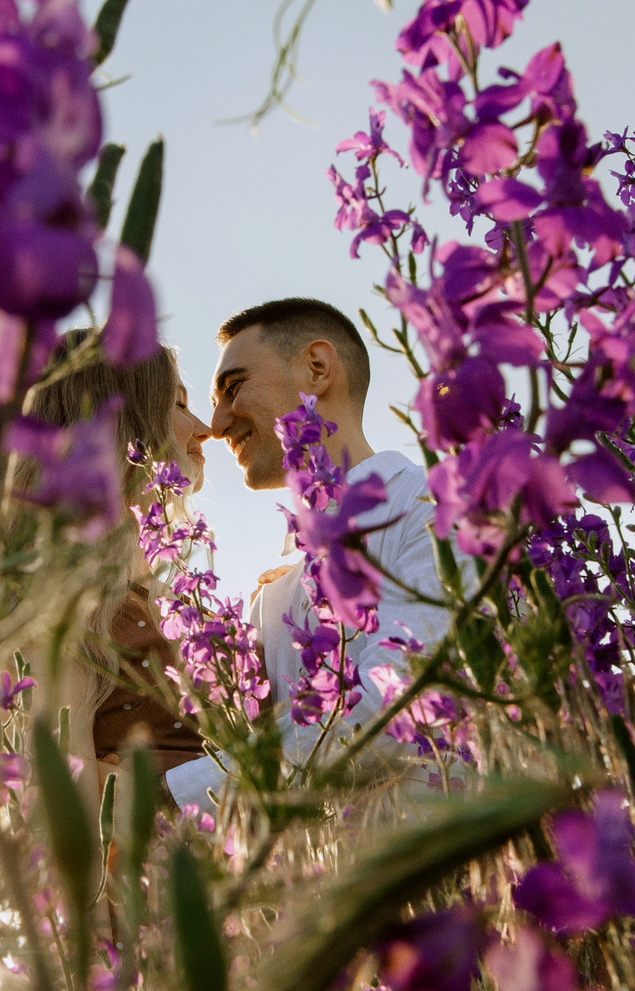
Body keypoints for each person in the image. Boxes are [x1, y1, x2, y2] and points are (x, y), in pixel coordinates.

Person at [163, 297, 449, 812]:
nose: (218, 422)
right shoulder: (272, 597)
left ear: (317, 369)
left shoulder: (428, 514)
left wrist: (177, 797)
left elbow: (398, 705)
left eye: (233, 388)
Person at [18, 331, 214, 778]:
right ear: (123, 427)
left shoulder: (162, 597)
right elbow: (60, 802)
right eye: (178, 406)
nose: (205, 429)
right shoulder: (64, 604)